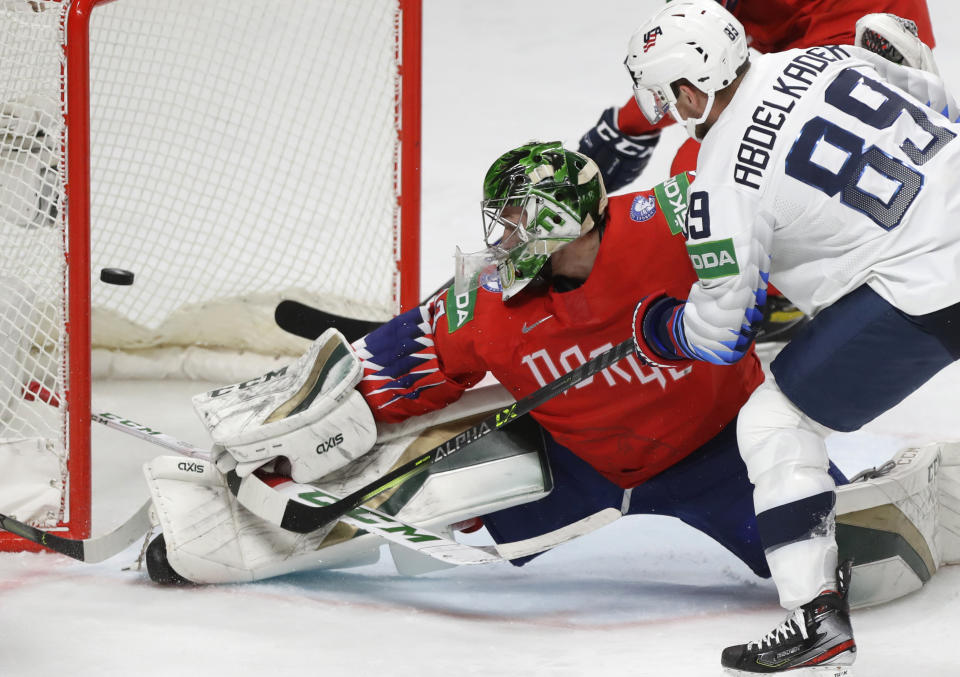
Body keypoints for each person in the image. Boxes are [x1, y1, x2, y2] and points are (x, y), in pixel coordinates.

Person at [143, 142, 950, 624]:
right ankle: (233, 537)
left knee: (860, 575)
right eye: (503, 222)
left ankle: (935, 497)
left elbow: (775, 238)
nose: (505, 239)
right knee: (410, 487)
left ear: (571, 221)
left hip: (721, 452)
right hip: (575, 461)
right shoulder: (483, 301)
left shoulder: (671, 222)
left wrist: (769, 298)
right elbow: (397, 368)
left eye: (522, 222)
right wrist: (311, 427)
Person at [625, 0, 960, 673]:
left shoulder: (717, 182)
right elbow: (933, 95)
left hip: (933, 283)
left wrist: (660, 329)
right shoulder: (826, 56)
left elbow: (720, 330)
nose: (667, 111)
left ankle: (815, 617)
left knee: (774, 420)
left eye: (666, 96)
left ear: (692, 88)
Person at [577, 0, 938, 347]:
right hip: (849, 30)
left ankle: (775, 293)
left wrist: (628, 126)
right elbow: (702, 39)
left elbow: (695, 56)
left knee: (708, 166)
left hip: (839, 29)